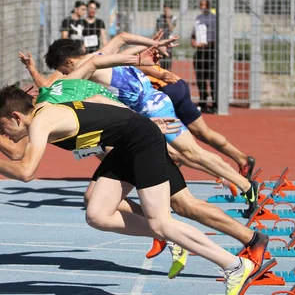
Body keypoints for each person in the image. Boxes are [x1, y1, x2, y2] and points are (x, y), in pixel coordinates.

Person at [0, 51, 256, 295]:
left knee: (164, 218)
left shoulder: (43, 120)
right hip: (125, 145)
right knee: (97, 213)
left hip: (141, 141)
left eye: (2, 126)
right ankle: (173, 237)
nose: (4, 132)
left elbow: (26, 172)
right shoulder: (45, 112)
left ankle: (234, 265)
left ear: (15, 115)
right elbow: (20, 153)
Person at [41, 37, 259, 212]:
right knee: (178, 155)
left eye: (64, 70)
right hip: (153, 105)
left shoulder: (88, 67)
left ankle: (245, 185)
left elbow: (55, 87)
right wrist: (150, 45)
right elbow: (122, 37)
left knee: (193, 153)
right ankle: (231, 184)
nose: (67, 75)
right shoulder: (101, 53)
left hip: (153, 109)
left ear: (69, 62)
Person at [139, 64, 255, 184]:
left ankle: (227, 176)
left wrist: (157, 73)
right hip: (177, 84)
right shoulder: (133, 54)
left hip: (163, 92)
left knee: (176, 150)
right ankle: (242, 160)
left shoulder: (125, 60)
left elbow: (135, 62)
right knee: (203, 132)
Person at [191, 0, 217, 114]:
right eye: (202, 5)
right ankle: (203, 101)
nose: (204, 7)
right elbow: (193, 36)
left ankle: (215, 102)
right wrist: (195, 43)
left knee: (212, 78)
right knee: (200, 78)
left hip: (211, 50)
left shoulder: (215, 19)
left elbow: (218, 37)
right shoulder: (198, 19)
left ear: (209, 6)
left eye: (205, 5)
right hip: (200, 50)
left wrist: (209, 43)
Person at [155, 3, 177, 70]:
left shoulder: (174, 18)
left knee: (168, 63)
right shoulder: (160, 18)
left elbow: (171, 28)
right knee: (160, 62)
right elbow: (157, 29)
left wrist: (168, 18)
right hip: (161, 42)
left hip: (169, 43)